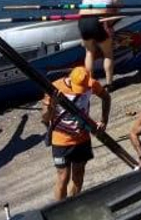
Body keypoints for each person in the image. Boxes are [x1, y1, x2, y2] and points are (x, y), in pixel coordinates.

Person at [44, 66, 110, 201]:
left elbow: (106, 97)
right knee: (63, 177)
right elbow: (45, 118)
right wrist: (52, 104)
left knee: (78, 175)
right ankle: (60, 208)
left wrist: (104, 121)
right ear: (70, 79)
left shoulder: (91, 84)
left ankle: (74, 203)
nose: (82, 91)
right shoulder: (55, 87)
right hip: (61, 140)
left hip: (82, 138)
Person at [77, 0, 121, 88]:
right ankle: (110, 84)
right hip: (98, 22)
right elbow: (115, 16)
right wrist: (109, 28)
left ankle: (89, 84)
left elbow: (81, 11)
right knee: (108, 54)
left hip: (82, 22)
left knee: (89, 52)